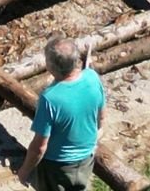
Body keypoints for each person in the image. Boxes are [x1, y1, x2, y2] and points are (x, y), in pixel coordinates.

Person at [17, 37, 106, 190]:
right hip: (86, 159)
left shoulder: (49, 98)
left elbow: (39, 147)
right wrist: (93, 139)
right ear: (76, 60)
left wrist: (24, 171)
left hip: (57, 166)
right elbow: (101, 117)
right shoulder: (92, 77)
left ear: (51, 66)